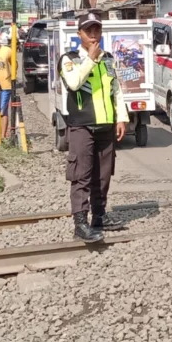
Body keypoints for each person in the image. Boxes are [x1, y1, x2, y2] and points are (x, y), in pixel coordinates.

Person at [59, 13, 130, 243]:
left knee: (103, 175)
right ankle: (80, 223)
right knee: (81, 175)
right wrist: (90, 58)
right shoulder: (69, 59)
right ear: (79, 34)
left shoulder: (107, 59)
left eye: (96, 30)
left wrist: (121, 118)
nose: (93, 35)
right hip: (82, 126)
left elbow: (115, 90)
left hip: (106, 125)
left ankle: (99, 216)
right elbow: (74, 83)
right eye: (88, 30)